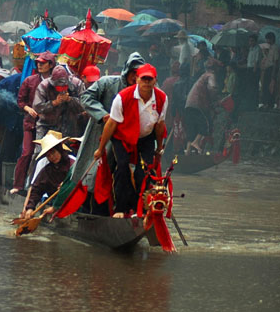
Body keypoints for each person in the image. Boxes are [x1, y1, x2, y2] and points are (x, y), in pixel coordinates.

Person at [94, 63, 168, 217]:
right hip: (123, 137)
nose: (147, 83)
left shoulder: (161, 98)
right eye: (144, 79)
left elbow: (160, 125)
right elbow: (112, 124)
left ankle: (139, 207)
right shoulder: (122, 97)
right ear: (137, 79)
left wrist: (159, 149)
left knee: (145, 172)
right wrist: (100, 149)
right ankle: (120, 209)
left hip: (146, 138)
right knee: (122, 168)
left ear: (155, 81)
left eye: (150, 79)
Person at [11, 51, 55, 194]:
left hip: (49, 123)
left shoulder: (56, 82)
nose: (40, 65)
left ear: (50, 65)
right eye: (38, 63)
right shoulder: (30, 80)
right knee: (27, 153)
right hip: (31, 123)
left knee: (44, 154)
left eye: (43, 63)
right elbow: (20, 101)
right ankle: (18, 185)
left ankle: (37, 186)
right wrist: (28, 108)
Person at [22, 131, 75, 219]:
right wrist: (30, 208)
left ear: (59, 150)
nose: (52, 157)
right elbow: (36, 189)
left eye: (53, 152)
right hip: (53, 202)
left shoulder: (72, 164)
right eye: (49, 155)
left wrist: (65, 185)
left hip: (72, 202)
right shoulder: (47, 170)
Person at [33, 65, 86, 139]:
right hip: (47, 126)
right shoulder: (44, 86)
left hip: (70, 127)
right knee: (41, 150)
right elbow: (37, 107)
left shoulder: (76, 83)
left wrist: (70, 99)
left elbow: (84, 105)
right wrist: (54, 103)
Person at [184, 58, 220, 153]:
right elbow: (212, 87)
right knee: (206, 124)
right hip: (198, 104)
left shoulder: (202, 76)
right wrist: (215, 99)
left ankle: (187, 154)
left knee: (191, 130)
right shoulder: (210, 75)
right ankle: (196, 143)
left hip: (189, 105)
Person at [259, 32, 280, 109]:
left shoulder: (275, 48)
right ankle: (265, 103)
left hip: (272, 68)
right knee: (264, 86)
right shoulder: (268, 48)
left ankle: (270, 103)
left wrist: (273, 74)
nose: (267, 41)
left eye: (268, 39)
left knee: (270, 87)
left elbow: (276, 61)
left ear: (272, 39)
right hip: (267, 68)